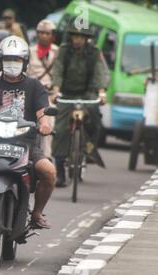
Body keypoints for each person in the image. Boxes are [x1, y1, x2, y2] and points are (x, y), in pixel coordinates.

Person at [0, 35, 57, 230]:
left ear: (25, 62)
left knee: (49, 172)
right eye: (8, 60)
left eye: (16, 60)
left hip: (26, 145)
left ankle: (37, 213)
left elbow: (42, 113)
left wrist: (45, 124)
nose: (12, 64)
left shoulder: (34, 86)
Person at [50, 19, 109, 187]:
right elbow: (58, 69)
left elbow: (100, 72)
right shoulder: (64, 51)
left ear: (86, 38)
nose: (78, 40)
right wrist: (55, 90)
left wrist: (101, 92)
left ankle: (88, 148)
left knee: (96, 119)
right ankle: (60, 170)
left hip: (87, 93)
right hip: (66, 93)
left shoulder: (94, 52)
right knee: (60, 129)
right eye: (75, 36)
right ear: (71, 36)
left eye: (81, 37)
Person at [27, 19, 59, 159]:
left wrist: (57, 91)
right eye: (41, 33)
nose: (43, 36)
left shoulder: (59, 52)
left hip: (51, 94)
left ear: (53, 35)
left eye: (47, 33)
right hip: (30, 93)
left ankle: (46, 157)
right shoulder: (29, 51)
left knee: (48, 123)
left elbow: (62, 75)